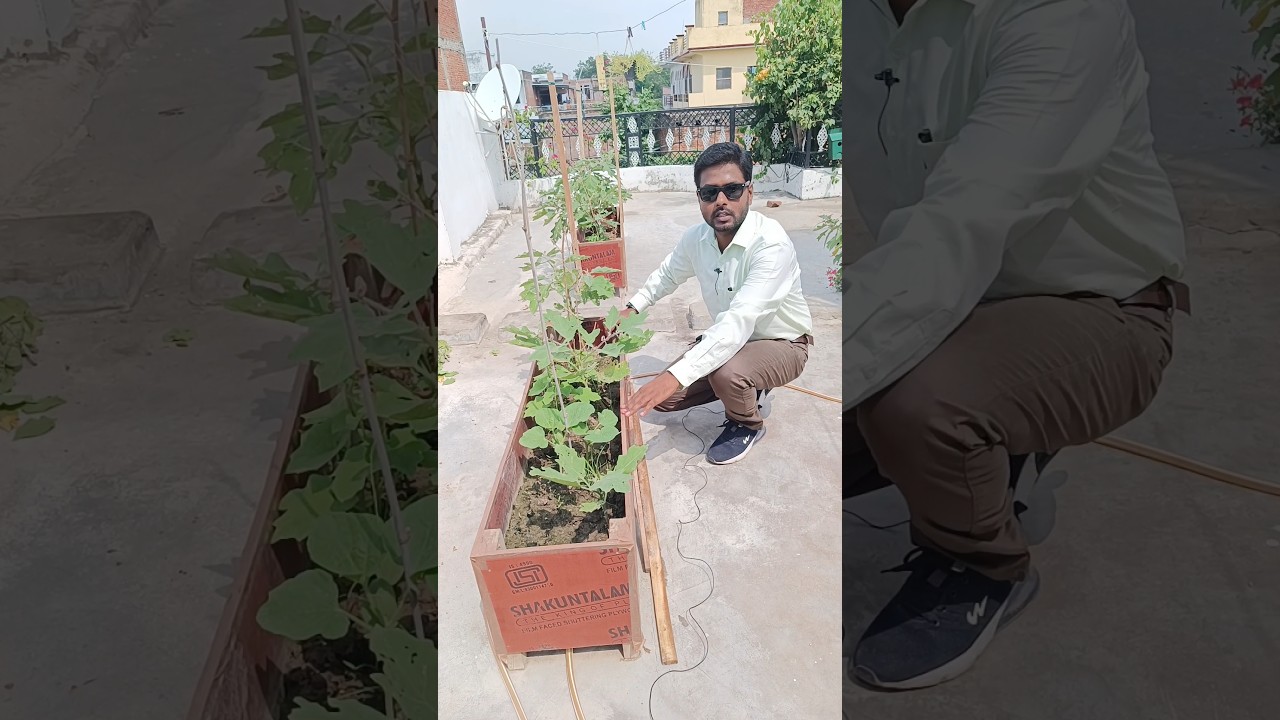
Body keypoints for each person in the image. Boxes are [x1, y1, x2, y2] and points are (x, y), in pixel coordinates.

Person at [843, 0, 1191, 690]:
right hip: (961, 305)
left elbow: (958, 226)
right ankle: (999, 449)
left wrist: (803, 383)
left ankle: (979, 564)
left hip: (1099, 308)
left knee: (906, 404)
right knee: (827, 440)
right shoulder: (857, 20)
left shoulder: (1061, 14)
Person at [619, 142, 815, 465]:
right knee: (665, 401)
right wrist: (634, 306)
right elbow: (668, 274)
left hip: (785, 343)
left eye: (732, 190)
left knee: (724, 371)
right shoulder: (697, 240)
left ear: (749, 193)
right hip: (735, 340)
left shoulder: (771, 244)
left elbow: (739, 320)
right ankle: (748, 385)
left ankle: (747, 424)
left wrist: (674, 375)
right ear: (699, 198)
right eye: (710, 193)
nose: (721, 201)